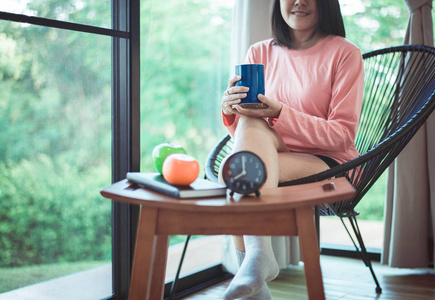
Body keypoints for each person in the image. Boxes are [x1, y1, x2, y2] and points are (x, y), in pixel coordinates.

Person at [219, 0, 364, 299]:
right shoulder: (259, 52)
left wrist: (281, 112)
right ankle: (258, 262)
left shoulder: (345, 53)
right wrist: (231, 111)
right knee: (243, 149)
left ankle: (255, 264)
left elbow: (342, 136)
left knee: (235, 174)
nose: (299, 1)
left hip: (330, 162)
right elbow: (246, 137)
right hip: (272, 153)